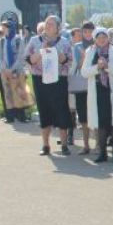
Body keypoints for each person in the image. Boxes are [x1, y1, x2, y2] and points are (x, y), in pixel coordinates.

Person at [25, 15, 73, 156]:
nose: (48, 26)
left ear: (58, 27)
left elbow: (69, 62)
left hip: (58, 81)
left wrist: (56, 53)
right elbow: (28, 60)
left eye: (51, 24)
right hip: (40, 80)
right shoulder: (35, 41)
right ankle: (45, 145)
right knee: (44, 110)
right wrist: (42, 51)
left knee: (61, 110)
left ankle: (64, 145)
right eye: (47, 23)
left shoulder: (64, 42)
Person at [81, 28, 113, 163]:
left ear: (108, 38)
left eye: (104, 37)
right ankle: (102, 153)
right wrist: (97, 67)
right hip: (97, 91)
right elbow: (84, 72)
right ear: (94, 39)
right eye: (99, 37)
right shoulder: (90, 51)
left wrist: (107, 66)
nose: (101, 40)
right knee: (101, 123)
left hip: (112, 90)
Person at [69, 22, 95, 154]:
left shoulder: (98, 44)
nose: (88, 34)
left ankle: (98, 145)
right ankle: (86, 145)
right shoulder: (77, 47)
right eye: (85, 32)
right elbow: (76, 66)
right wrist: (83, 58)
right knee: (83, 116)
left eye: (90, 31)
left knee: (95, 113)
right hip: (81, 83)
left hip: (95, 83)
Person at [0, 19, 29, 123]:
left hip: (17, 70)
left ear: (10, 28)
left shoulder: (18, 40)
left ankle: (21, 116)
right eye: (2, 27)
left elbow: (21, 56)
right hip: (5, 71)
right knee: (8, 93)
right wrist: (5, 69)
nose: (3, 29)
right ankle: (10, 116)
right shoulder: (2, 41)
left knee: (19, 91)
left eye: (5, 27)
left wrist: (12, 69)